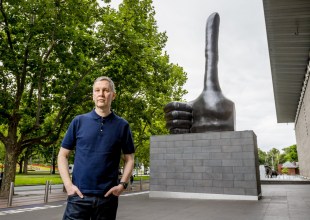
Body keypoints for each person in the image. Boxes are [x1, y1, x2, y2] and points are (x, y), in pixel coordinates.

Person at [58, 76, 135, 220]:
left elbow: (129, 158)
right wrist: (68, 185)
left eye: (106, 90)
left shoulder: (122, 125)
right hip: (78, 197)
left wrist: (122, 185)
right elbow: (62, 155)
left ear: (113, 95)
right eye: (97, 90)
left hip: (108, 198)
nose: (101, 94)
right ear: (93, 95)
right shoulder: (78, 121)